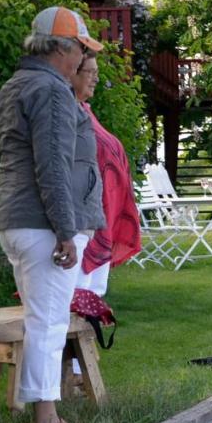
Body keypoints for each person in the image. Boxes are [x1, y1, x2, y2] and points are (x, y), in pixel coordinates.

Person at [0, 6, 105, 423]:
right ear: (61, 48)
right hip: (43, 225)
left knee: (44, 318)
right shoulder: (52, 90)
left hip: (19, 220)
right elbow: (53, 167)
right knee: (49, 321)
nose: (82, 59)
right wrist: (65, 230)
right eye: (80, 48)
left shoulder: (18, 84)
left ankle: (45, 417)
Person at [71, 53, 140, 297]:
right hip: (78, 219)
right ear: (72, 73)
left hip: (99, 214)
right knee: (74, 298)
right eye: (90, 72)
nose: (96, 79)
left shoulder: (84, 111)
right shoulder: (67, 113)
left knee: (91, 297)